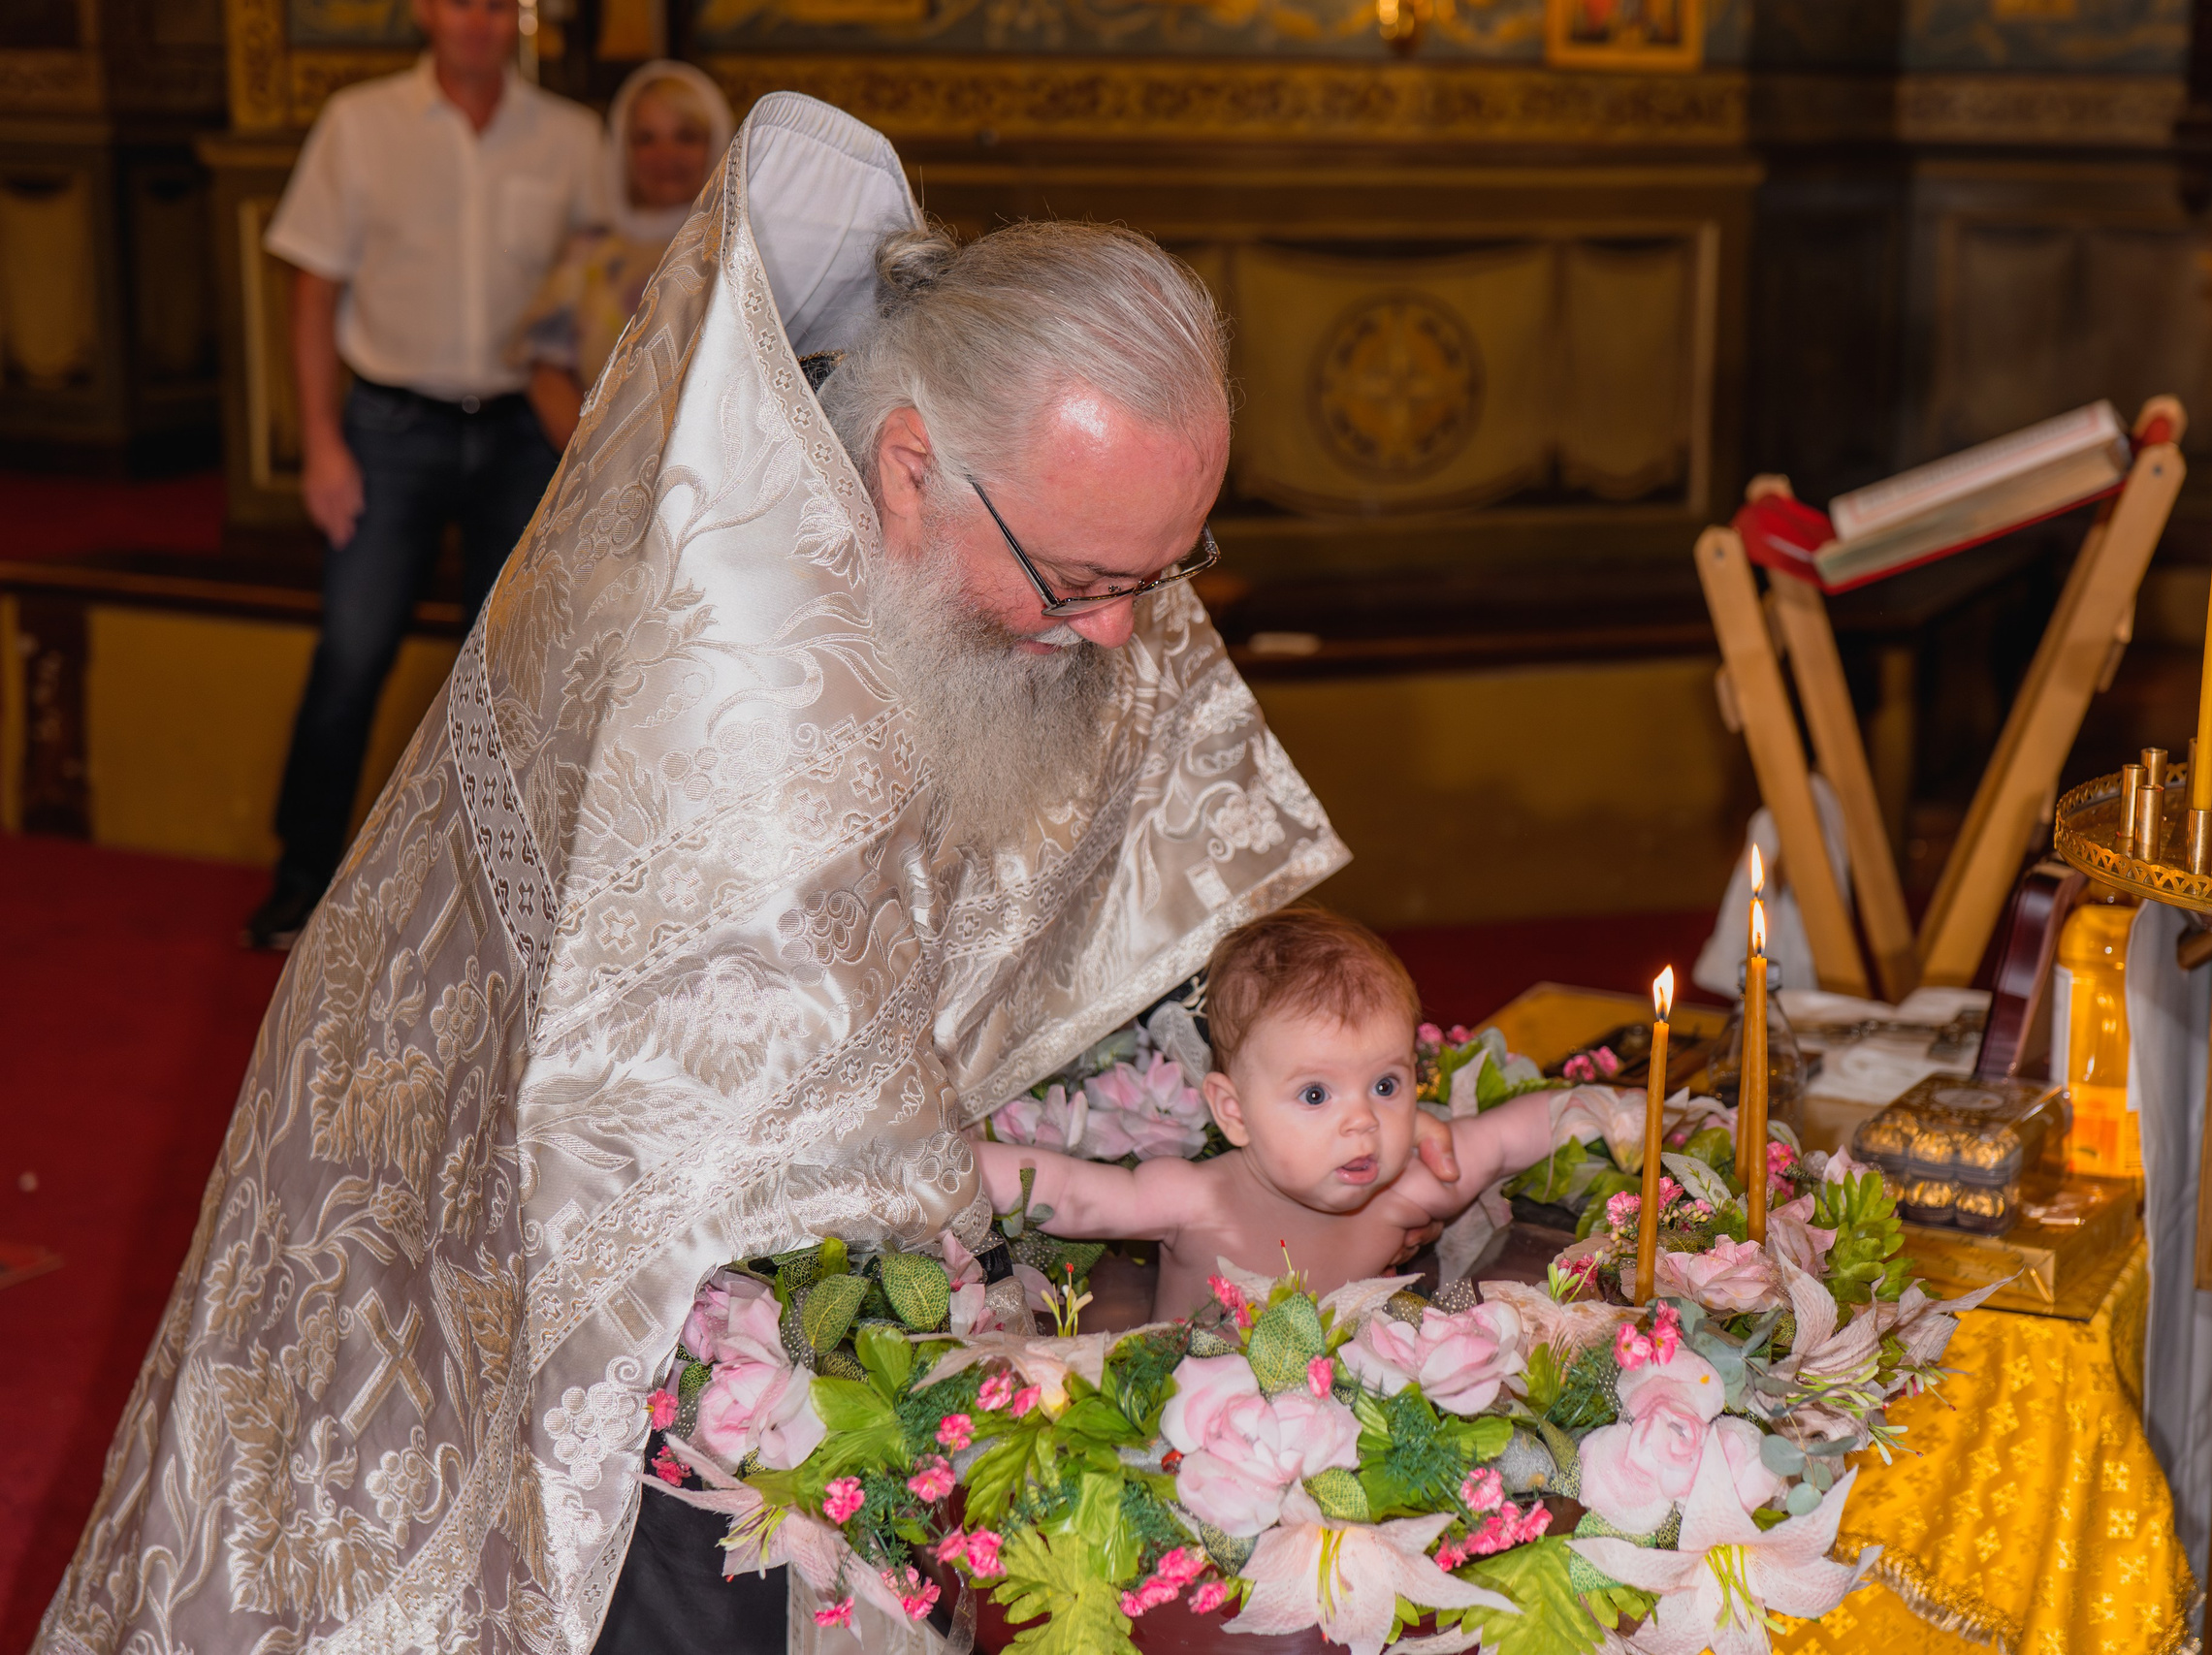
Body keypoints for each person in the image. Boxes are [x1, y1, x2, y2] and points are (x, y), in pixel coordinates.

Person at [39, 94, 1367, 1655]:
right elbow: (719, 1173)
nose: (1125, 630)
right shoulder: (742, 687)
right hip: (565, 1275)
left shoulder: (998, 523)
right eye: (1085, 580)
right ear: (908, 465)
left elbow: (1103, 815)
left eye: (1169, 567)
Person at [243, 0, 602, 949]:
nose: (476, 22)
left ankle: (493, 900)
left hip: (525, 431)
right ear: (422, 10)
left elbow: (607, 287)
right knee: (352, 656)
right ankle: (301, 880)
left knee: (509, 674)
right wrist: (321, 440)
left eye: (494, 3)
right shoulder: (359, 125)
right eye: (456, 1)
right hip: (388, 431)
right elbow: (310, 288)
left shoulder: (572, 138)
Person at [978, 907, 1552, 1321]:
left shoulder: (1405, 1193)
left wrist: (1615, 1112)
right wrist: (944, 1164)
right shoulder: (1196, 1203)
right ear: (1234, 1112)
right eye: (1315, 1095)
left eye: (1384, 1084)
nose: (1363, 1122)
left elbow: (1503, 1140)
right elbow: (1068, 1190)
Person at [517, 61, 733, 448]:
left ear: (717, 143)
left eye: (685, 136)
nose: (665, 154)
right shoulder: (590, 251)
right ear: (621, 150)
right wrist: (592, 469)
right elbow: (546, 372)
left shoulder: (744, 249)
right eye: (645, 139)